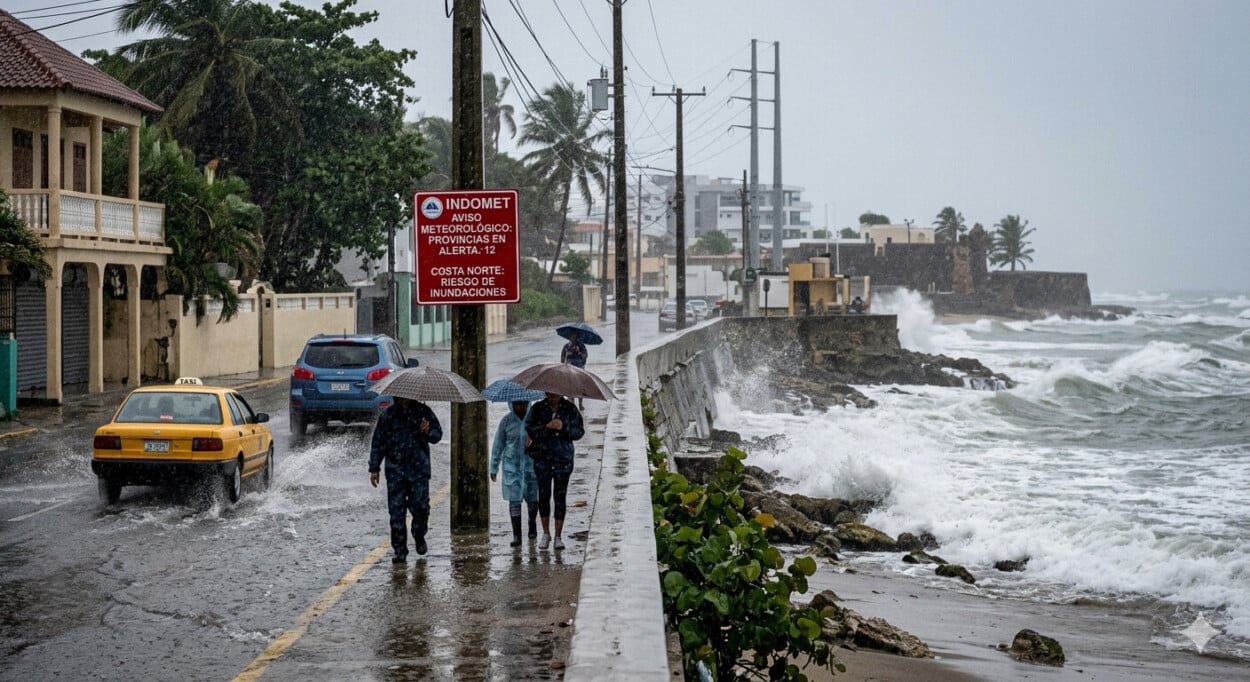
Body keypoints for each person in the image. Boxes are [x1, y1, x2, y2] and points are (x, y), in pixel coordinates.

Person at [368, 396, 443, 563]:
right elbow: (378, 442)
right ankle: (400, 549)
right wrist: (374, 467)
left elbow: (437, 436)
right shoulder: (388, 415)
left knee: (421, 508)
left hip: (419, 471)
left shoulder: (424, 412)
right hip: (395, 471)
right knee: (396, 513)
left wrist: (427, 430)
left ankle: (419, 534)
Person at [524, 391, 585, 550]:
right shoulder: (537, 408)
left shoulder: (570, 409)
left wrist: (563, 427)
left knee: (560, 496)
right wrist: (546, 427)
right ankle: (546, 533)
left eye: (555, 394)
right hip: (542, 459)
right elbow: (530, 428)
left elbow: (578, 432)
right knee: (543, 496)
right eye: (549, 394)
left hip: (562, 459)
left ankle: (558, 535)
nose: (552, 397)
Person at [489, 399, 539, 547]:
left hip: (531, 465)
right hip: (512, 467)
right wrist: (493, 467)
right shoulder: (506, 422)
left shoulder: (534, 419)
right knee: (514, 501)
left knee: (533, 499)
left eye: (523, 403)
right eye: (517, 404)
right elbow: (498, 445)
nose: (520, 406)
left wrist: (533, 442)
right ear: (512, 404)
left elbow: (543, 439)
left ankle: (532, 523)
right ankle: (517, 535)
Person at [560, 329, 588, 408]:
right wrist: (563, 365)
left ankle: (580, 403)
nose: (572, 338)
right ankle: (571, 403)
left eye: (574, 336)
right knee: (570, 386)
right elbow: (562, 357)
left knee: (580, 386)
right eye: (571, 336)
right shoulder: (566, 346)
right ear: (569, 337)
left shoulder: (581, 345)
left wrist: (579, 352)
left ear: (577, 337)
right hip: (569, 367)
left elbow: (585, 356)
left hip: (579, 367)